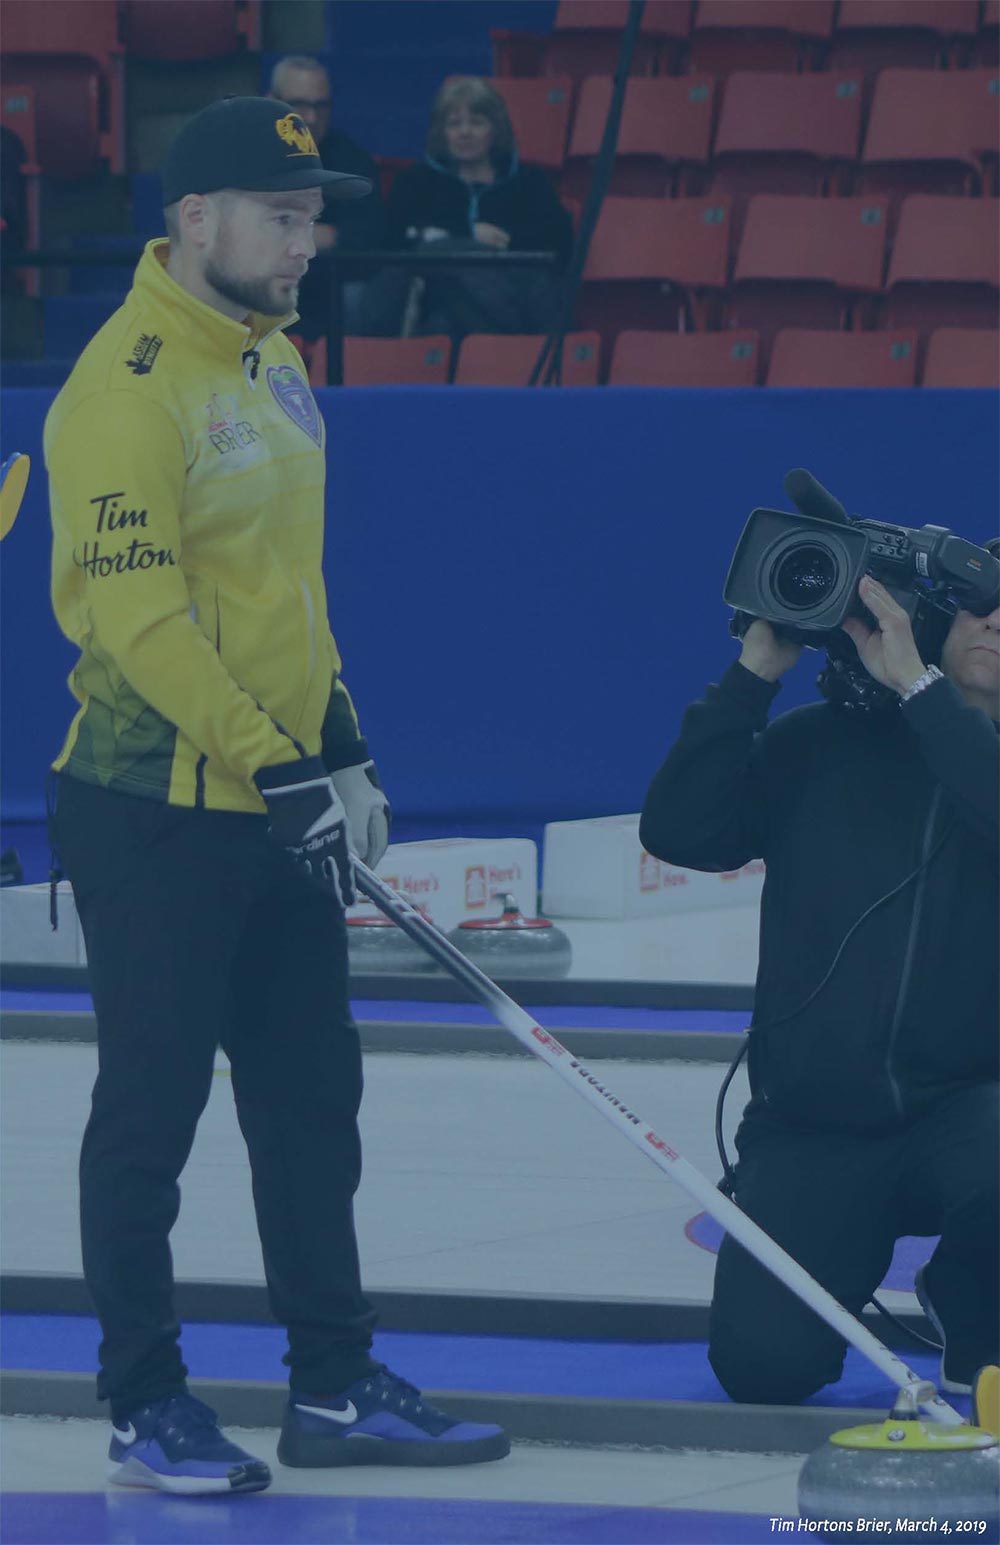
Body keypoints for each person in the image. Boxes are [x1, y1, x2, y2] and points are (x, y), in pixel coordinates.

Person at [44, 95, 509, 1497]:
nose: (310, 246)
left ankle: (335, 1382)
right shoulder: (123, 392)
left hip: (274, 790)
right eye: (286, 219)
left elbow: (287, 598)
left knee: (314, 1098)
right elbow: (151, 627)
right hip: (155, 812)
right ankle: (144, 1403)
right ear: (198, 223)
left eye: (316, 221)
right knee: (152, 1108)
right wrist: (280, 765)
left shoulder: (273, 364)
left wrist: (344, 743)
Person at [639, 561, 999, 1407]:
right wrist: (756, 671)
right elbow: (680, 828)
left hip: (974, 1110)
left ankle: (975, 1308)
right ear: (945, 617)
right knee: (764, 1371)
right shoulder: (818, 742)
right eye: (983, 604)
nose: (996, 622)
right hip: (812, 1126)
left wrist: (920, 687)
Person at [363, 76, 573, 340]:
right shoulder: (415, 183)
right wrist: (470, 235)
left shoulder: (528, 182)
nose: (465, 132)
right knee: (442, 311)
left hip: (514, 301)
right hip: (434, 311)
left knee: (442, 269)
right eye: (454, 124)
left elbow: (560, 242)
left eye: (477, 122)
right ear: (442, 132)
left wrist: (494, 245)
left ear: (495, 130)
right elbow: (391, 242)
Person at [268, 55, 384, 339]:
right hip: (259, 282)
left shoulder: (351, 160)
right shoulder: (241, 157)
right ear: (271, 101)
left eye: (321, 105)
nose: (311, 118)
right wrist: (313, 235)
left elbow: (369, 238)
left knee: (360, 298)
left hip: (325, 287)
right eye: (299, 105)